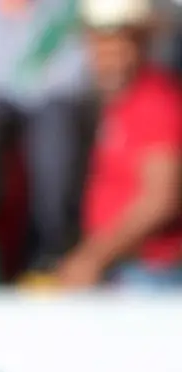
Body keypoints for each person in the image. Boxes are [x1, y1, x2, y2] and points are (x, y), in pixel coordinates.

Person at [56, 0, 182, 290]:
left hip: (151, 275)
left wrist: (93, 257)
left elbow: (160, 199)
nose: (105, 54)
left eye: (116, 41)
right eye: (98, 42)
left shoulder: (156, 102)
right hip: (128, 270)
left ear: (140, 42)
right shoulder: (121, 104)